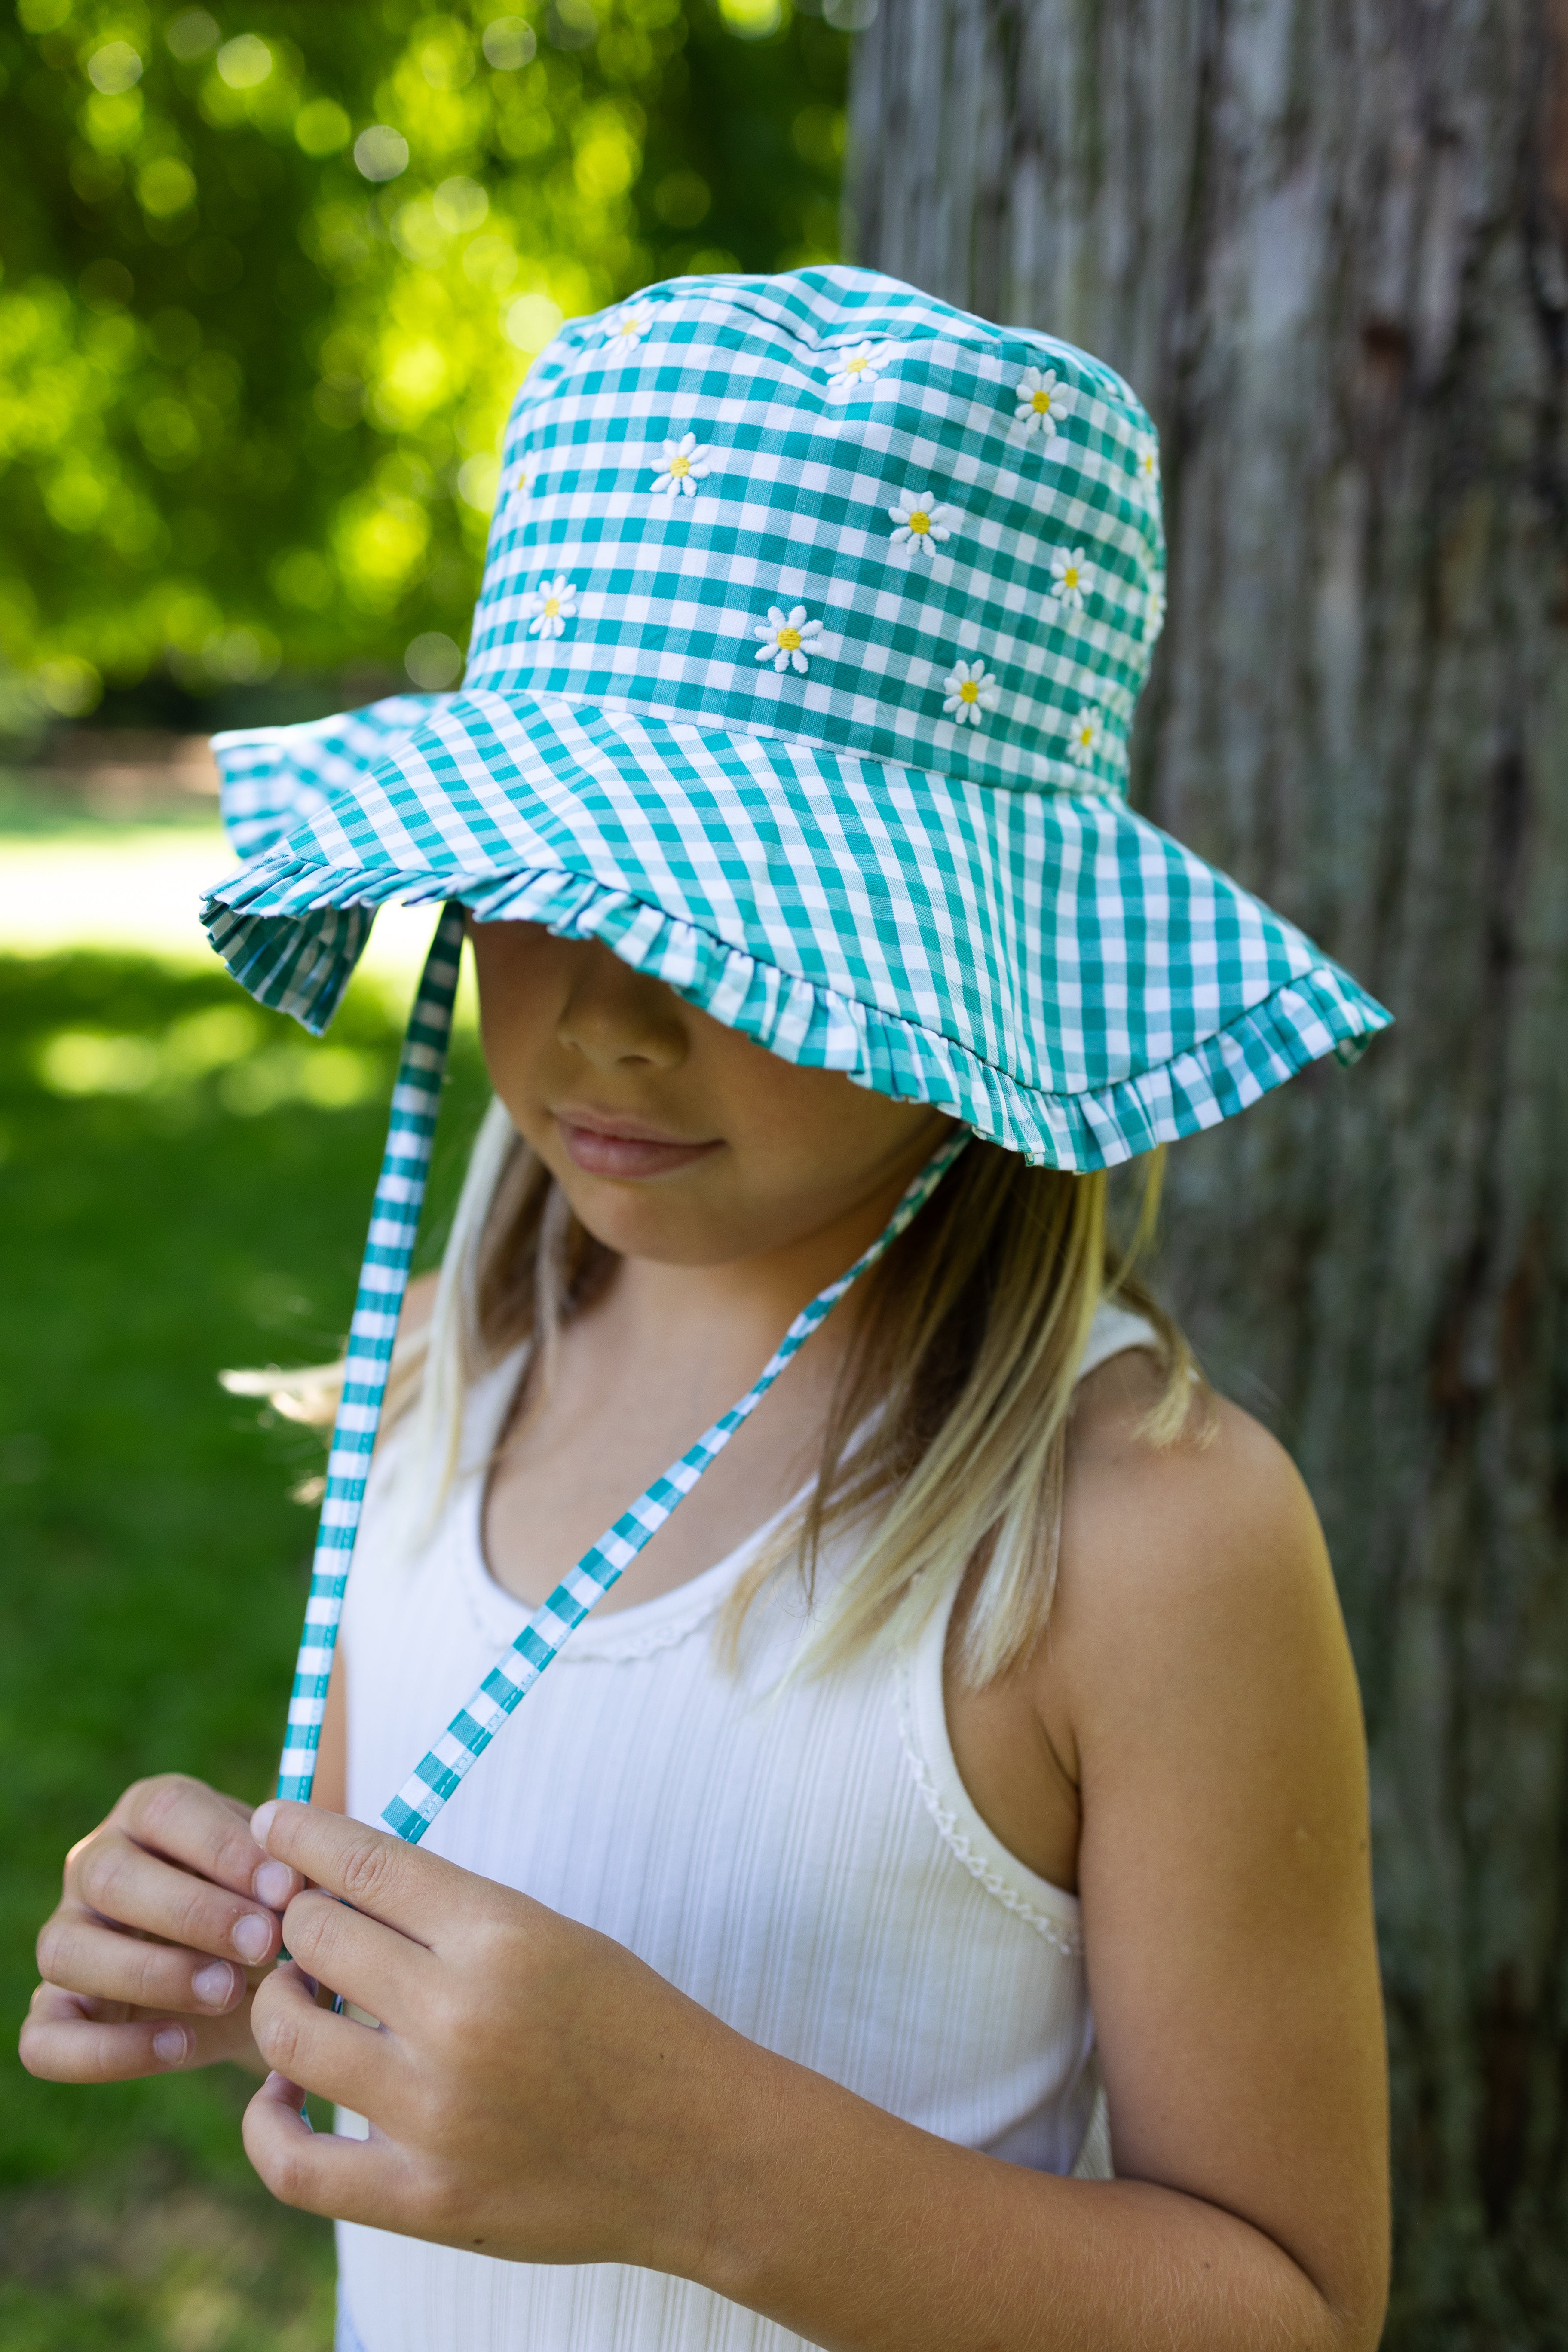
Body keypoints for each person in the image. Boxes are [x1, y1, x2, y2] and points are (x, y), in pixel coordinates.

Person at [21, 266, 1393, 2352]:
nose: (612, 1015)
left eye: (742, 924)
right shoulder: (454, 1361)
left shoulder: (1142, 1541)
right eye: (534, 880)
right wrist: (252, 1942)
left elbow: (1291, 2306)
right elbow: (453, 1892)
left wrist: (688, 2163)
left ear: (976, 962)